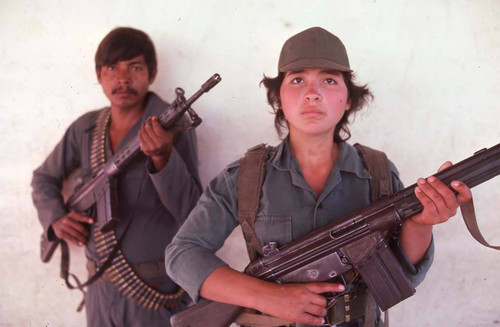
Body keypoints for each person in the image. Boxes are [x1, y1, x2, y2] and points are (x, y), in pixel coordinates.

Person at [165, 27, 472, 327]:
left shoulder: (378, 173)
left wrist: (421, 223)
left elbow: (402, 271)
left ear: (348, 99)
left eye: (329, 80)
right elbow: (182, 255)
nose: (312, 94)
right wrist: (268, 296)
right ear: (278, 99)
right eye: (297, 80)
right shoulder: (243, 178)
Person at [31, 27, 202, 326]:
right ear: (99, 75)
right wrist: (56, 217)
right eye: (112, 68)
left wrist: (163, 157)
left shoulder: (171, 124)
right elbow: (44, 178)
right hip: (99, 287)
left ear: (152, 72)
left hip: (154, 291)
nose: (123, 78)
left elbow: (191, 210)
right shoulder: (85, 128)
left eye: (135, 67)